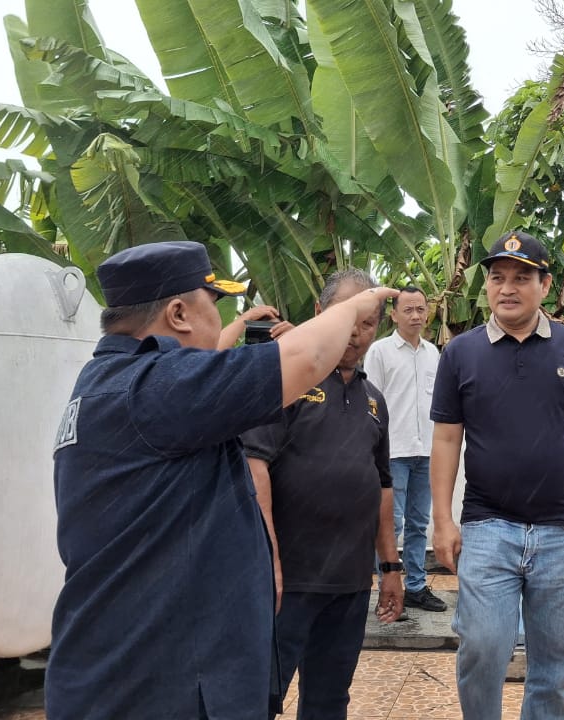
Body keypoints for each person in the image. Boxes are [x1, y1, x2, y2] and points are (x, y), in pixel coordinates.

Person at [46, 242, 399, 720]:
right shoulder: (157, 386)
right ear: (178, 313)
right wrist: (359, 305)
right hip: (156, 683)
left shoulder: (111, 381)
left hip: (129, 666)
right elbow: (310, 357)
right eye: (214, 303)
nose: (222, 319)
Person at [430, 231, 564, 720]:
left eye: (521, 277)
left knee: (555, 665)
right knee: (482, 648)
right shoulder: (460, 354)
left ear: (544, 284)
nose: (507, 288)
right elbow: (447, 439)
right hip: (488, 525)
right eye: (497, 278)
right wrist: (442, 520)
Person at [242, 268, 404, 719]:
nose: (355, 332)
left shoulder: (375, 400)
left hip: (349, 585)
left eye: (367, 321)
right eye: (345, 316)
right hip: (287, 583)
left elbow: (382, 484)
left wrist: (390, 566)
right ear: (320, 313)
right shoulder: (287, 381)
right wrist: (268, 558)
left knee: (329, 701)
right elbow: (254, 465)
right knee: (260, 698)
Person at [363, 286, 447, 612]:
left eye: (420, 309)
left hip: (425, 450)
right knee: (390, 524)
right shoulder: (380, 352)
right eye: (407, 309)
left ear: (428, 313)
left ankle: (414, 587)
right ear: (394, 314)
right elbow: (370, 403)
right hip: (392, 452)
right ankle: (387, 589)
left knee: (417, 524)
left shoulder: (433, 354)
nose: (415, 315)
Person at [217, 304, 295, 349]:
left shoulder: (295, 358)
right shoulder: (243, 361)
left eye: (277, 332)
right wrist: (246, 316)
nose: (270, 337)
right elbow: (210, 355)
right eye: (262, 333)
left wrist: (296, 336)